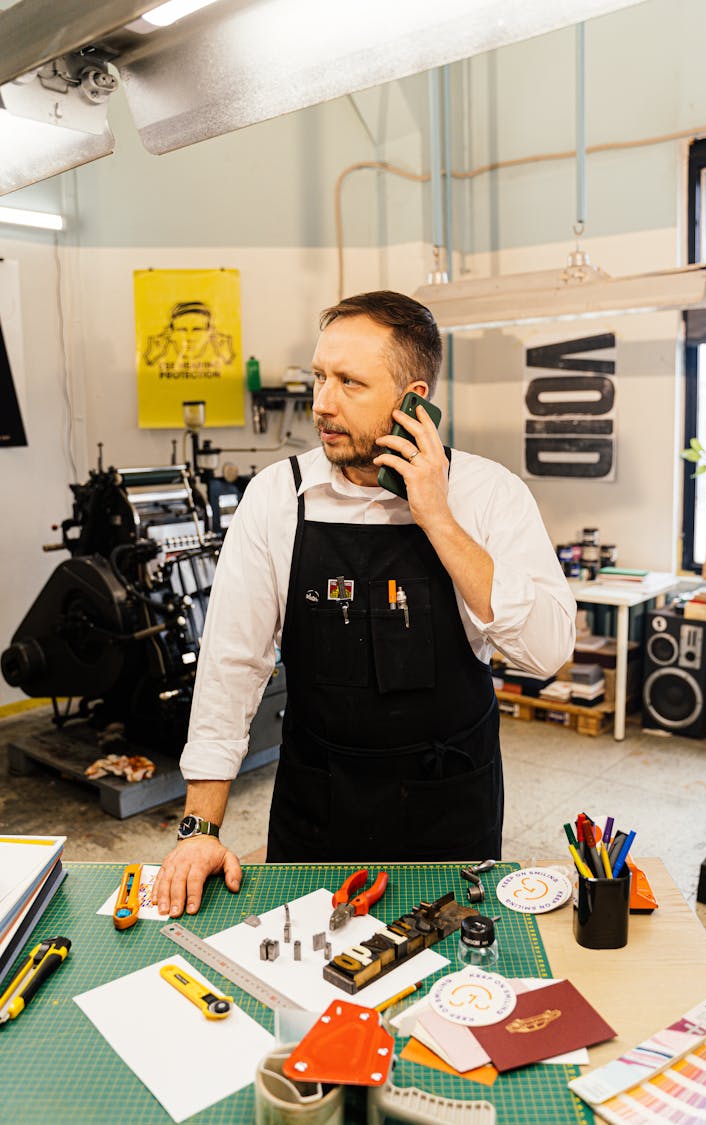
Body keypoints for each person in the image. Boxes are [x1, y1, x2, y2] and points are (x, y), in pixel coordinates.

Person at [154, 291, 576, 917]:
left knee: (449, 985)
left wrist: (439, 518)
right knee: (308, 981)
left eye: (350, 382)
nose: (322, 402)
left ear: (414, 397)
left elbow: (546, 653)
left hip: (450, 800)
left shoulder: (490, 495)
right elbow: (230, 668)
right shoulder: (278, 498)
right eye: (320, 377)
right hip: (319, 800)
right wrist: (200, 830)